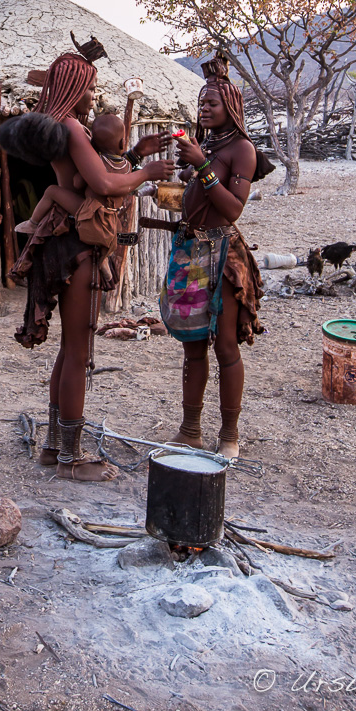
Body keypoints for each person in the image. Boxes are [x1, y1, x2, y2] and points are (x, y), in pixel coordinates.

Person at [8, 45, 174, 481]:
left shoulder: (62, 126)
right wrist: (146, 173)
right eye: (91, 89)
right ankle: (71, 459)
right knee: (79, 350)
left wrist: (133, 155)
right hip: (77, 248)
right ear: (74, 87)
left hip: (62, 241)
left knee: (70, 349)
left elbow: (100, 171)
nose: (94, 97)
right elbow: (102, 183)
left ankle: (53, 448)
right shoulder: (72, 128)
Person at [141, 56, 264, 459]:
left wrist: (203, 169)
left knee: (226, 346)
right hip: (191, 252)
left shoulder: (242, 149)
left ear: (232, 106)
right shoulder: (207, 145)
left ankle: (229, 435)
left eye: (212, 102)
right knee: (192, 345)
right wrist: (178, 182)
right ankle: (190, 430)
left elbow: (231, 210)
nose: (204, 109)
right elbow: (194, 200)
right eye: (201, 102)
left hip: (222, 254)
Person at [15, 112, 129, 253]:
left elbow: (77, 183)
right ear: (122, 143)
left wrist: (82, 170)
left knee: (52, 190)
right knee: (111, 238)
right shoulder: (126, 166)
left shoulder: (97, 163)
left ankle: (32, 223)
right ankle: (103, 261)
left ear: (92, 143)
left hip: (90, 213)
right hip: (111, 215)